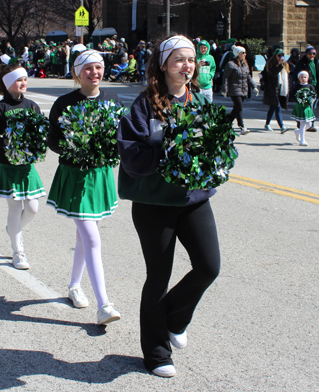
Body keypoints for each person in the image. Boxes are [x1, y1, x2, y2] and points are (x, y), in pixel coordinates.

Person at [117, 35, 221, 378]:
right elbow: (131, 157)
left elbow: (212, 150)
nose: (187, 66)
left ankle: (175, 318)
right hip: (153, 203)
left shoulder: (201, 102)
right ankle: (156, 352)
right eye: (179, 59)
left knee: (209, 267)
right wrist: (167, 151)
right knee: (158, 277)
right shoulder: (144, 106)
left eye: (191, 60)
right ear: (163, 65)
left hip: (192, 200)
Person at [47, 50, 121, 325]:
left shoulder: (112, 99)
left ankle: (74, 286)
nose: (94, 73)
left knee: (84, 235)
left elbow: (121, 134)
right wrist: (76, 146)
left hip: (100, 174)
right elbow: (52, 139)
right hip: (75, 175)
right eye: (88, 68)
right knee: (91, 237)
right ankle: (104, 304)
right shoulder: (64, 102)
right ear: (78, 73)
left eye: (98, 68)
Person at [0, 58, 45, 270]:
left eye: (25, 79)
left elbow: (41, 132)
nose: (23, 83)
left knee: (33, 208)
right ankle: (17, 252)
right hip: (7, 166)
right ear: (7, 82)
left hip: (27, 167)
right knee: (14, 207)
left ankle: (13, 229)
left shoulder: (32, 105)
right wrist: (9, 141)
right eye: (18, 80)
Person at [222, 45, 258, 135]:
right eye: (243, 53)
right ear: (238, 54)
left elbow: (248, 77)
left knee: (236, 109)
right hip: (234, 89)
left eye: (245, 53)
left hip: (243, 89)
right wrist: (225, 89)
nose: (245, 54)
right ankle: (242, 127)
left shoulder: (244, 64)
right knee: (239, 107)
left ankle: (226, 124)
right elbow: (226, 77)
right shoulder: (231, 64)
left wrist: (254, 87)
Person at [294, 46, 319, 131]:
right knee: (305, 107)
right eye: (310, 53)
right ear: (306, 54)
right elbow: (297, 75)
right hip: (305, 88)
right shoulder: (301, 63)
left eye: (314, 53)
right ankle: (305, 123)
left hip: (314, 87)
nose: (312, 55)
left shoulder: (317, 62)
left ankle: (309, 123)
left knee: (311, 107)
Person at [263, 49, 289, 133]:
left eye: (282, 55)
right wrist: (280, 65)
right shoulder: (271, 64)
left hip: (280, 89)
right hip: (272, 89)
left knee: (272, 107)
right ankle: (282, 126)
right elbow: (273, 73)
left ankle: (267, 124)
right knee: (277, 107)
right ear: (275, 56)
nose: (281, 57)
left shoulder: (284, 65)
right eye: (279, 55)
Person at [289, 71, 316, 147]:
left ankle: (298, 132)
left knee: (309, 124)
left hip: (307, 107)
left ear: (307, 78)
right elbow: (292, 96)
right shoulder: (297, 87)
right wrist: (298, 100)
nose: (303, 79)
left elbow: (314, 95)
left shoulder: (310, 86)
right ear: (299, 78)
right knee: (303, 123)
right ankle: (302, 140)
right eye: (301, 77)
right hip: (300, 107)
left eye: (305, 77)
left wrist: (310, 100)